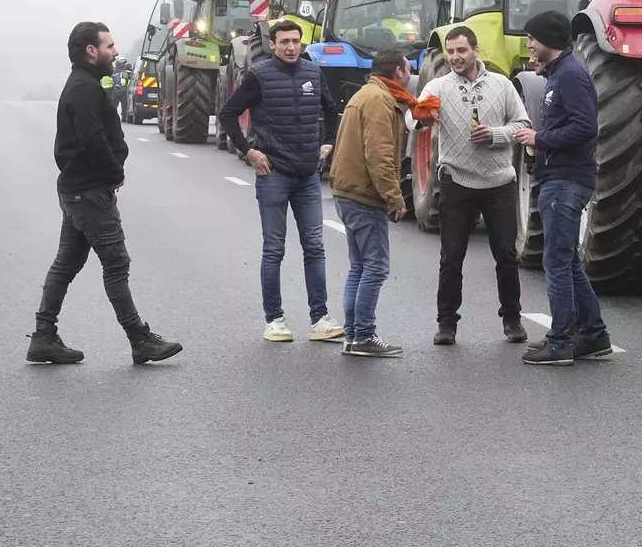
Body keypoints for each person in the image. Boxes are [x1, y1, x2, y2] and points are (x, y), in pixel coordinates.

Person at [29, 22, 183, 366]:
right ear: (91, 51)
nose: (115, 52)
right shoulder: (84, 88)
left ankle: (43, 337)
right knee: (116, 263)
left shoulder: (87, 82)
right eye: (109, 46)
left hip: (78, 190)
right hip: (89, 192)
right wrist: (115, 171)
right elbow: (92, 137)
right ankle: (139, 339)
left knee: (67, 263)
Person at [218, 20, 344, 343]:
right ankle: (274, 319)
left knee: (314, 246)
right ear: (272, 45)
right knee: (274, 248)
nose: (290, 47)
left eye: (295, 41)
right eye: (284, 41)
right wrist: (249, 151)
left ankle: (320, 318)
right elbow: (228, 114)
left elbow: (332, 112)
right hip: (273, 175)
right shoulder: (259, 75)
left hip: (307, 176)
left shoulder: (313, 74)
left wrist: (329, 142)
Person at [418, 25, 531, 346]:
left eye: (461, 51)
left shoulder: (502, 85)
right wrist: (422, 117)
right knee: (451, 258)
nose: (455, 57)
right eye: (450, 52)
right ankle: (446, 325)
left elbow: (523, 125)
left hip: (498, 183)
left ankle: (512, 320)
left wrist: (494, 135)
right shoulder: (438, 86)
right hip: (457, 181)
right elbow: (417, 118)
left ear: (475, 51)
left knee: (506, 256)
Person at [514, 12, 612, 366]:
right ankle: (594, 335)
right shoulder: (560, 74)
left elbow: (586, 127)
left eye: (532, 39)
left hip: (567, 180)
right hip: (559, 177)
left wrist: (539, 138)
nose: (528, 45)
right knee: (567, 261)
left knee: (556, 261)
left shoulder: (570, 77)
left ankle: (561, 341)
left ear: (549, 41)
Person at [329, 49, 414, 357]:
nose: (408, 75)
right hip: (364, 194)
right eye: (407, 70)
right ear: (398, 72)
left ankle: (352, 336)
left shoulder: (366, 93)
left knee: (360, 267)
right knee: (375, 268)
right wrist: (395, 197)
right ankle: (364, 336)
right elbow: (379, 156)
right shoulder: (379, 101)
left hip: (347, 191)